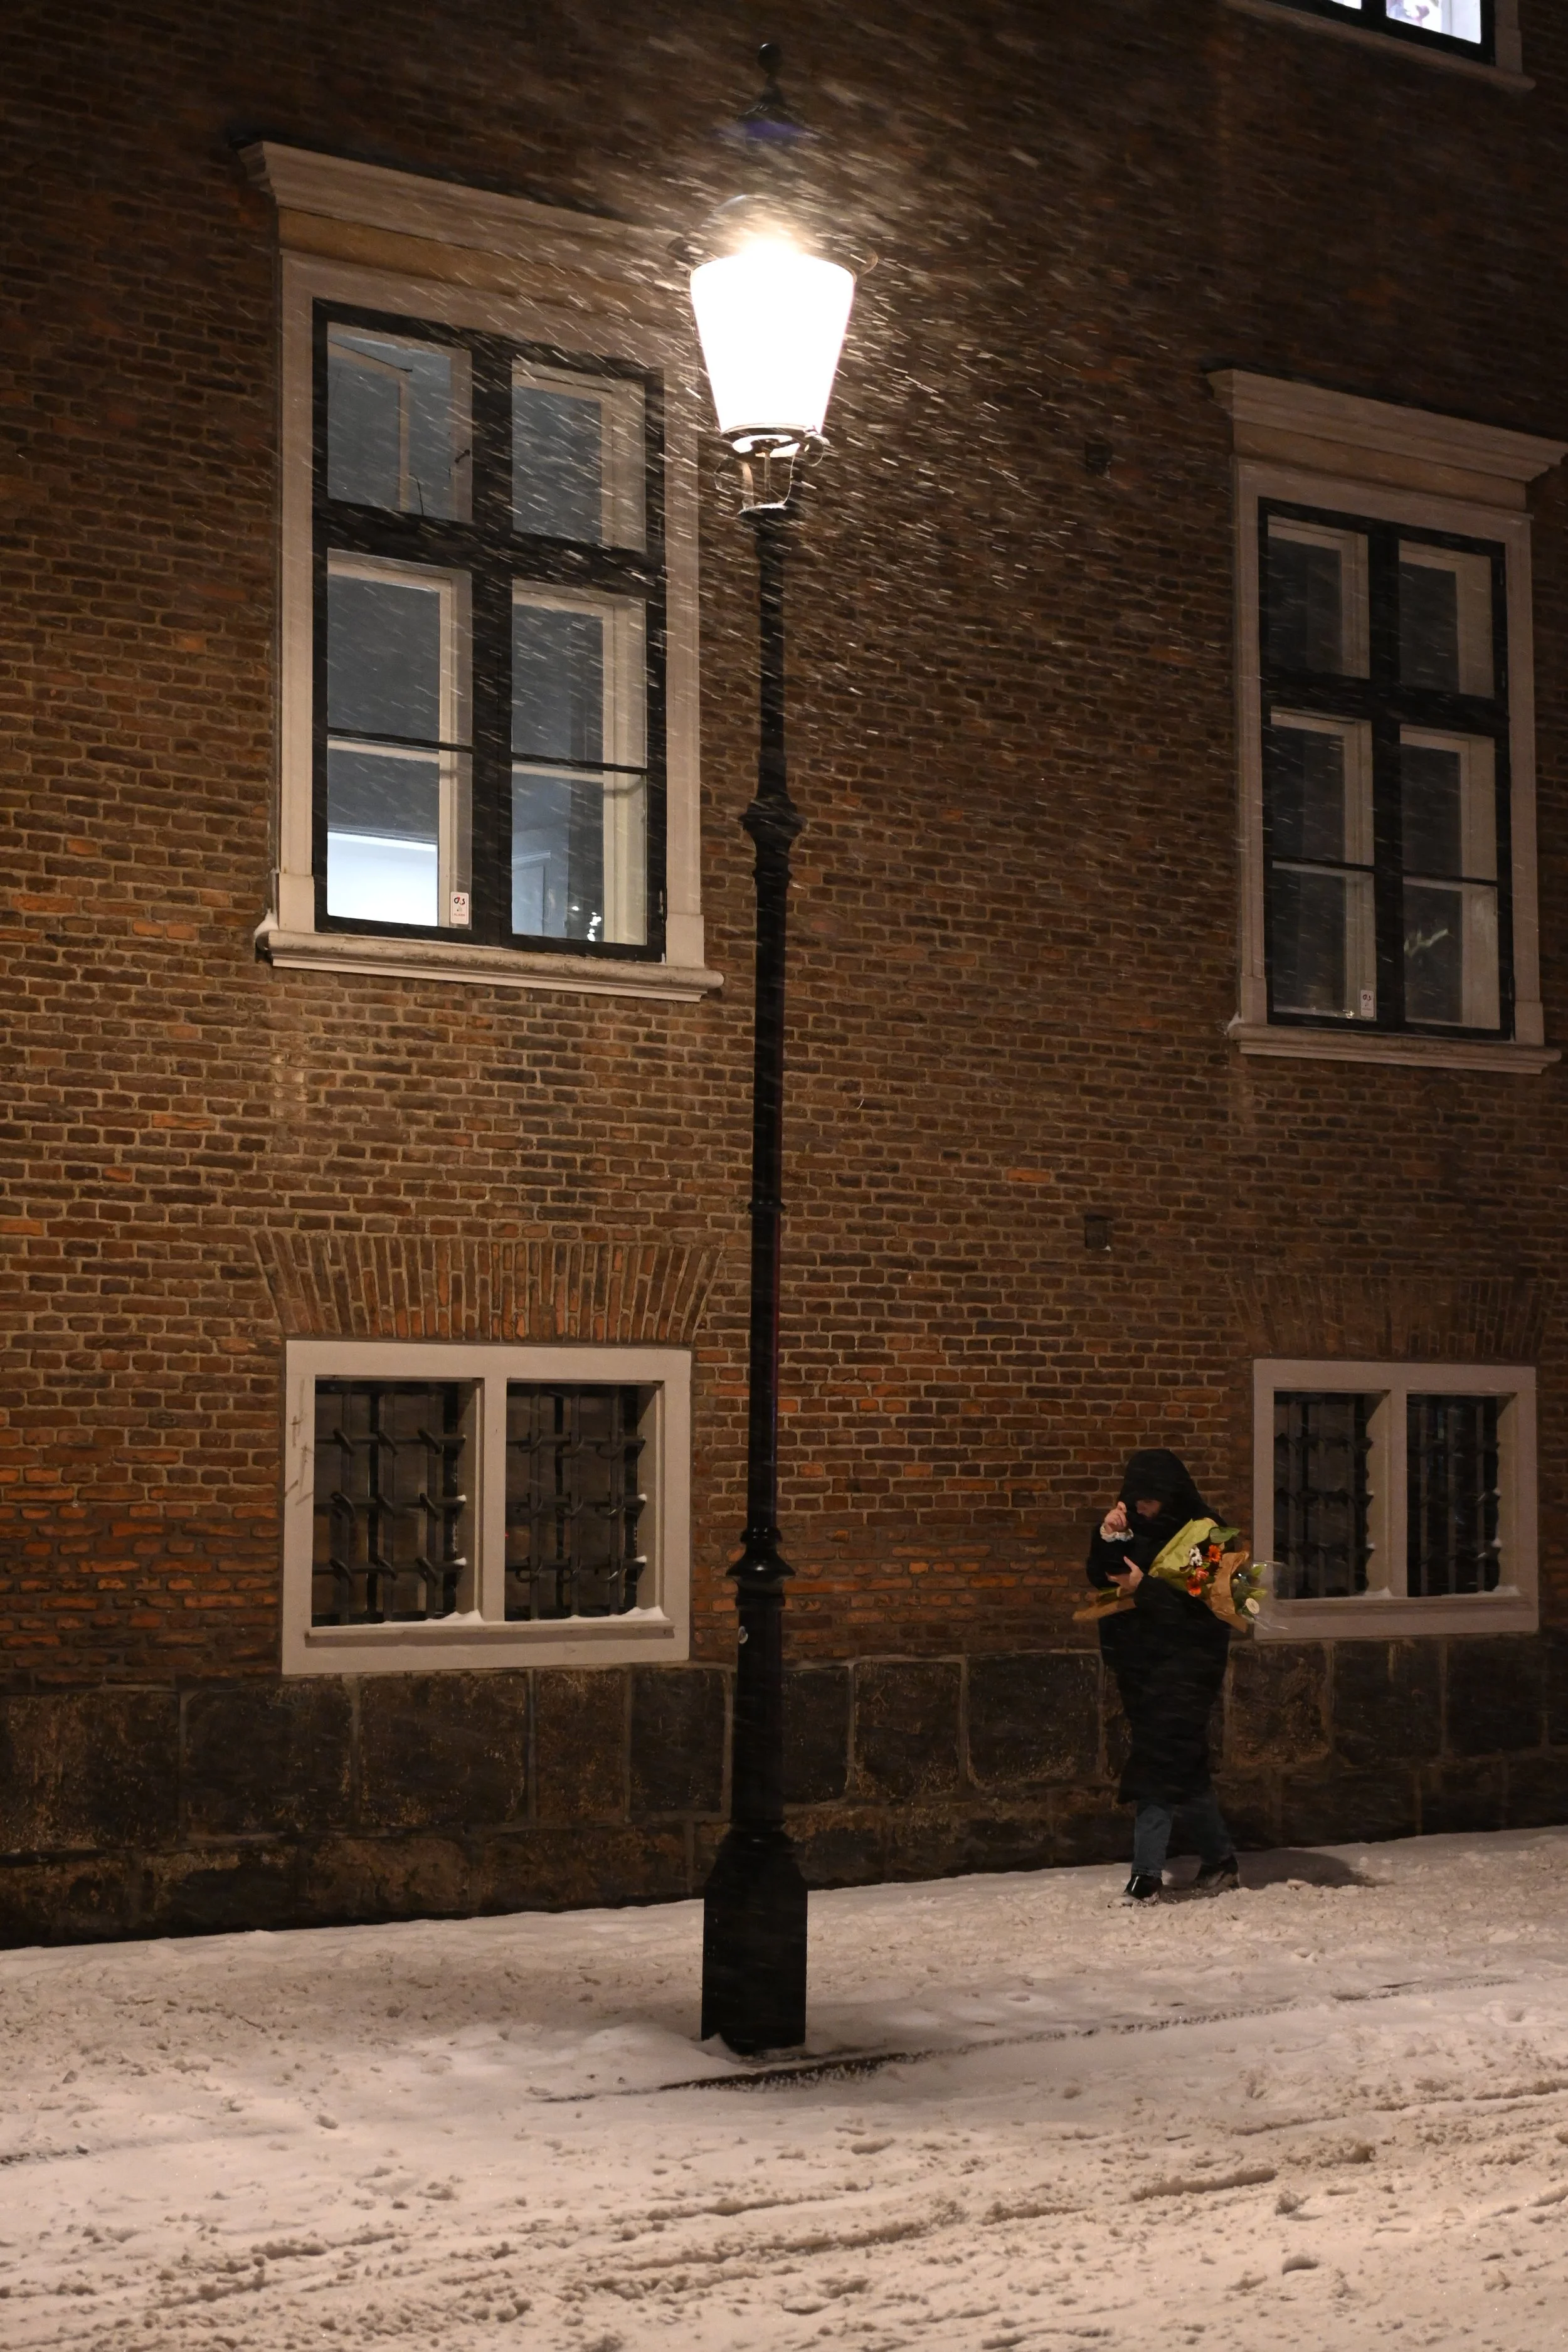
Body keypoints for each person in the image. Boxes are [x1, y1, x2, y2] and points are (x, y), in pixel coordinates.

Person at [1086, 1448, 1241, 1905]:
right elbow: (1102, 1576)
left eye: (1150, 1500)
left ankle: (1146, 1878)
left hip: (1188, 1667)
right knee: (1182, 1763)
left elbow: (1204, 1611)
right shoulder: (1136, 1527)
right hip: (1141, 1665)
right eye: (1135, 1499)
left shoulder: (1210, 1535)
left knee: (1156, 1762)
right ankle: (1220, 1861)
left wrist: (1144, 1588)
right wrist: (1110, 1537)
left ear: (1172, 1494)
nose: (1142, 1508)